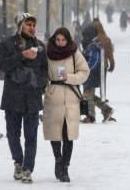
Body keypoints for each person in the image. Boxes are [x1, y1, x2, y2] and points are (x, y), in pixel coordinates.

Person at [0, 12, 48, 184]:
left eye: (33, 25)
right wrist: (22, 55)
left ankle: (27, 168)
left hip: (32, 97)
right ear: (20, 25)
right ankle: (18, 161)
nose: (32, 28)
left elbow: (44, 71)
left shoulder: (40, 46)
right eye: (28, 24)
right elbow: (3, 66)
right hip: (12, 96)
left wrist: (38, 85)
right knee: (12, 134)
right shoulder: (6, 44)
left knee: (31, 135)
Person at [43, 27, 89, 183]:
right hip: (53, 96)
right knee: (54, 133)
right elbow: (41, 72)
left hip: (71, 96)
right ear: (54, 40)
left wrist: (69, 77)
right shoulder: (48, 53)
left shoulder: (74, 52)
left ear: (68, 40)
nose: (60, 43)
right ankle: (58, 159)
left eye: (63, 40)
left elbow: (85, 72)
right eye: (58, 40)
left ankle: (65, 167)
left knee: (68, 134)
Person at [81, 24, 116, 123]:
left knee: (87, 95)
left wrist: (85, 70)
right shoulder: (92, 44)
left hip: (91, 74)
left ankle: (90, 116)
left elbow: (94, 61)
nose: (83, 38)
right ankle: (106, 109)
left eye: (85, 36)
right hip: (91, 74)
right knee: (89, 95)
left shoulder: (94, 45)